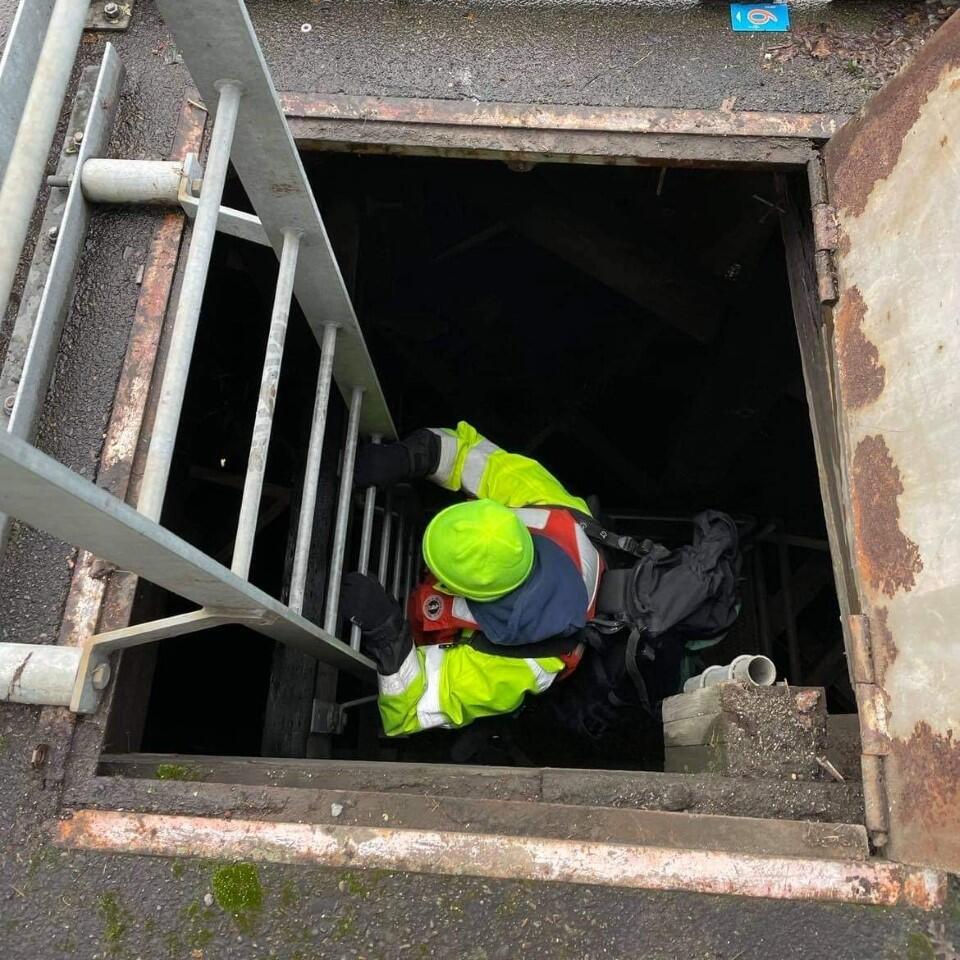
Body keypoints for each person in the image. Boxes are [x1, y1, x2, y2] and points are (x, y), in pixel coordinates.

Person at [339, 422, 604, 737]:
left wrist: (386, 633)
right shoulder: (559, 513)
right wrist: (408, 457)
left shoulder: (527, 664)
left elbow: (412, 710)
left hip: (413, 630)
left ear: (462, 591)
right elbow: (467, 453)